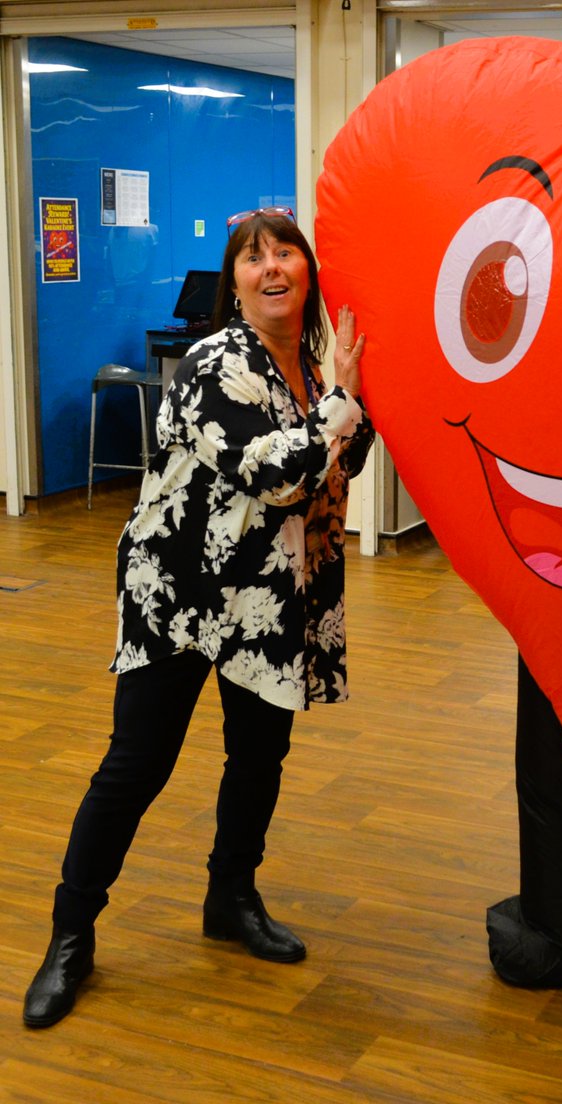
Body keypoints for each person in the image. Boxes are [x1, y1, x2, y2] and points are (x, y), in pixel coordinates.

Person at [23, 206, 375, 1029]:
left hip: (267, 594)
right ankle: (70, 936)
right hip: (178, 593)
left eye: (287, 252)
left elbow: (343, 456)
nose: (274, 268)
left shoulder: (314, 372)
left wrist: (347, 402)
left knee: (259, 757)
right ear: (235, 282)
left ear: (309, 271)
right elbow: (279, 476)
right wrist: (343, 408)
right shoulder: (214, 362)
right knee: (136, 765)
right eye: (255, 259)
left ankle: (231, 897)